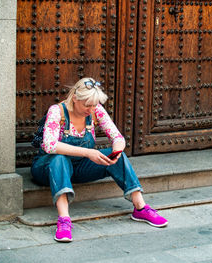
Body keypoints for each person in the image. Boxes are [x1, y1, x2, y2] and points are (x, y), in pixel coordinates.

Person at [31, 78, 168, 242]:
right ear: (75, 98)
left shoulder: (96, 110)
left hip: (78, 167)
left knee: (119, 156)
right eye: (87, 105)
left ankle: (140, 207)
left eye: (94, 104)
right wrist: (88, 153)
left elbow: (117, 137)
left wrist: (117, 150)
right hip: (47, 168)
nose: (91, 109)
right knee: (59, 158)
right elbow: (49, 145)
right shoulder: (57, 111)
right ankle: (64, 219)